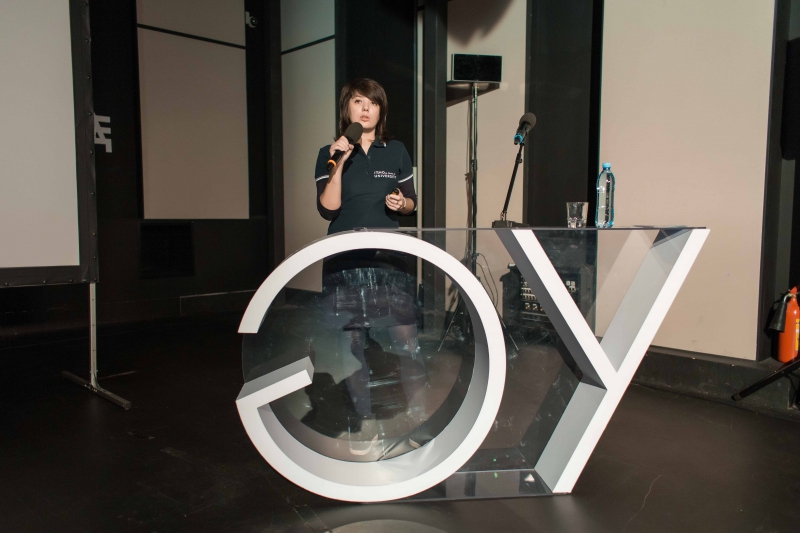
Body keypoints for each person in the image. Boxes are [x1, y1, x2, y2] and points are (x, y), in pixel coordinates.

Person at [313, 79, 423, 435]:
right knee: (352, 345)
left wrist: (401, 203)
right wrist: (340, 160)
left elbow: (411, 202)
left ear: (380, 110)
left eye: (372, 103)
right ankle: (361, 423)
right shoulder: (328, 153)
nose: (365, 108)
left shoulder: (396, 150)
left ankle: (419, 420)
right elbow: (328, 209)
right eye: (358, 101)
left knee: (407, 340)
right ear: (347, 108)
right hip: (344, 261)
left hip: (388, 259)